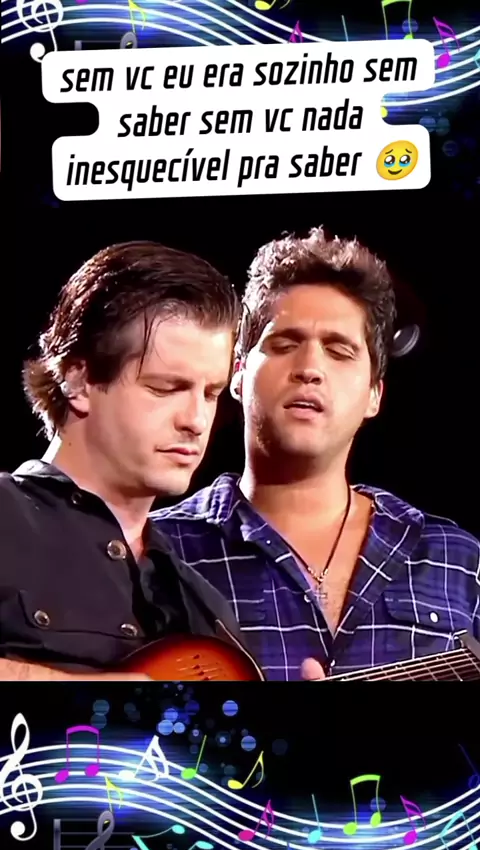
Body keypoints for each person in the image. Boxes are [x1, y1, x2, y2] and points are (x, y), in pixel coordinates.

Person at [151, 227, 480, 681]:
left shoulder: (457, 558)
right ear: (238, 374)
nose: (309, 369)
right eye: (285, 345)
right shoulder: (155, 552)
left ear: (374, 394)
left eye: (339, 351)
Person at [0, 240, 247, 681]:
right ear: (78, 381)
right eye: (165, 388)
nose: (196, 421)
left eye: (211, 393)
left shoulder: (209, 610)